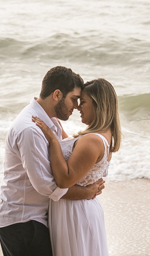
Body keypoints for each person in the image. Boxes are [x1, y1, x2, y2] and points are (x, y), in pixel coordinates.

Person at [0, 66, 106, 256]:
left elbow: (68, 154)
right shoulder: (30, 129)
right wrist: (85, 192)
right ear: (57, 95)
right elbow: (45, 185)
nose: (76, 106)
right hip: (22, 221)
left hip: (35, 218)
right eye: (73, 99)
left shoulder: (51, 122)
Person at [32, 78, 121, 256]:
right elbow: (70, 147)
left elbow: (64, 179)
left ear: (98, 105)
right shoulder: (101, 136)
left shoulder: (92, 141)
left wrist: (51, 139)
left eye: (83, 102)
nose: (78, 107)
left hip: (74, 214)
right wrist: (53, 119)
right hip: (79, 209)